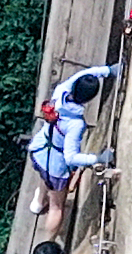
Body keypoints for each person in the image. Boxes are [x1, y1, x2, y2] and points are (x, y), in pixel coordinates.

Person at [27, 62, 118, 243]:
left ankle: (37, 203)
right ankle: (48, 244)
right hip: (56, 165)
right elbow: (70, 157)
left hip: (39, 149)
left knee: (44, 177)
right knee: (57, 206)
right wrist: (97, 159)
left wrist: (107, 71)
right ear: (89, 99)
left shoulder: (61, 91)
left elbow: (85, 74)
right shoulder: (76, 123)